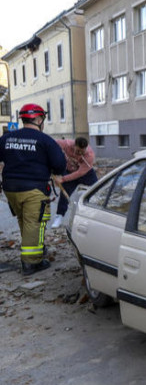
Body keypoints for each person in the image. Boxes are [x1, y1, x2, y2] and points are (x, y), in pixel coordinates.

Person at [0, 104, 67, 275]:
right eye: (42, 120)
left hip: (10, 188)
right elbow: (59, 164)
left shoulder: (7, 138)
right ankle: (31, 262)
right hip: (33, 189)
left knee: (25, 220)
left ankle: (35, 249)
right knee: (34, 222)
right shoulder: (45, 140)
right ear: (38, 120)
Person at [51, 136, 98, 227]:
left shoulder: (89, 155)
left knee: (97, 190)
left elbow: (80, 173)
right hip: (69, 170)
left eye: (82, 152)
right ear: (74, 145)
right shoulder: (66, 144)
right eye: (77, 151)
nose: (79, 153)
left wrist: (63, 179)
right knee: (64, 194)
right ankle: (59, 216)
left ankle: (95, 214)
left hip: (86, 174)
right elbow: (51, 144)